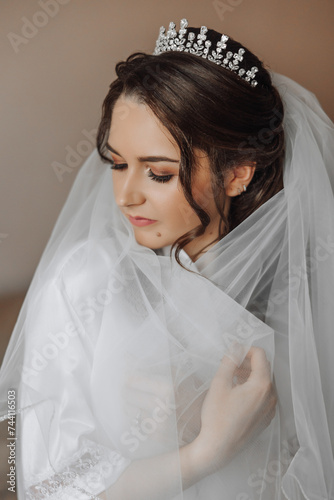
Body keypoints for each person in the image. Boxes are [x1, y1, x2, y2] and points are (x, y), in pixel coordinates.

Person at [0, 18, 333, 500]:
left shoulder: (299, 279)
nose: (126, 196)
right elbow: (36, 480)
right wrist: (206, 451)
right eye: (117, 164)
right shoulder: (84, 282)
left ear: (239, 172)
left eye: (158, 173)